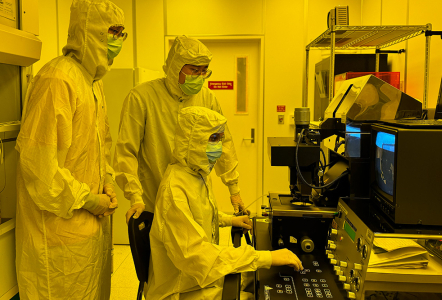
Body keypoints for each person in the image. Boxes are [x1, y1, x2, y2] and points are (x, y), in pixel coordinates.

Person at [15, 0, 126, 299]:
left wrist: (108, 184)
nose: (117, 42)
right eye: (111, 33)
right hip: (57, 236)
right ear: (89, 32)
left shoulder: (93, 83)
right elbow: (39, 168)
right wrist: (90, 200)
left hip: (90, 230)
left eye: (121, 34)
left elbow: (99, 147)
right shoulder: (57, 79)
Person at [148, 106, 303, 299]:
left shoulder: (195, 174)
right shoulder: (174, 190)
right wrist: (266, 257)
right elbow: (196, 255)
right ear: (191, 140)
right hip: (181, 289)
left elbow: (199, 215)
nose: (219, 147)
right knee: (257, 293)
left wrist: (230, 220)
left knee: (257, 278)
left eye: (220, 138)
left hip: (198, 277)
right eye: (213, 139)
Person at [114, 35, 248, 223]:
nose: (199, 77)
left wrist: (234, 189)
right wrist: (135, 196)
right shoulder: (142, 97)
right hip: (152, 202)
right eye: (194, 70)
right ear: (175, 66)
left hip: (194, 200)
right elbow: (126, 152)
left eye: (204, 71)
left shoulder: (207, 98)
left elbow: (223, 144)